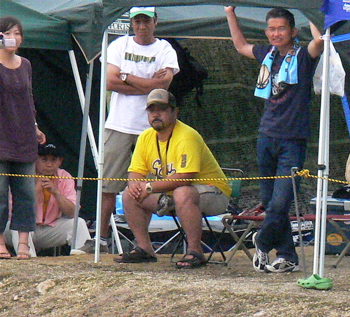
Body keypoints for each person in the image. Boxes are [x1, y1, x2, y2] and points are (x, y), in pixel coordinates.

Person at [225, 6, 324, 273]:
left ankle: (262, 239)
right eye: (271, 29)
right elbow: (240, 45)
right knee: (270, 204)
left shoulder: (303, 55)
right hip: (265, 136)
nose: (275, 33)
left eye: (281, 28)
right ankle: (287, 255)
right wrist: (229, 12)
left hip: (292, 140)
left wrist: (311, 10)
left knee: (281, 202)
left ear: (292, 31)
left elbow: (320, 42)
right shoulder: (267, 54)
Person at [115, 89, 231, 268]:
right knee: (129, 195)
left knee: (183, 192)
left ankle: (195, 251)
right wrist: (135, 185)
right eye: (152, 110)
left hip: (214, 193)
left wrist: (149, 187)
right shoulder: (145, 137)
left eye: (161, 109)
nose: (156, 115)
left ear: (175, 112)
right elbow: (135, 171)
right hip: (172, 194)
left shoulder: (187, 136)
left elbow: (185, 177)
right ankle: (145, 249)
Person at [95, 6, 179, 253]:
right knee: (108, 185)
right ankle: (99, 238)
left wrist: (127, 78)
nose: (141, 26)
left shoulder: (164, 49)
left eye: (146, 21)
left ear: (155, 21)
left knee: (150, 186)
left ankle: (142, 243)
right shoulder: (119, 45)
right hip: (119, 124)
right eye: (137, 21)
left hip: (152, 129)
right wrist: (149, 84)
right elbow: (109, 81)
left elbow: (163, 87)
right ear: (131, 23)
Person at [0, 16, 46, 260]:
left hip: (24, 136)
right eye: (8, 33)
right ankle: (0, 243)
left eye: (17, 33)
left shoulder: (26, 64)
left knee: (26, 193)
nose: (13, 38)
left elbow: (28, 99)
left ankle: (23, 243)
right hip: (1, 137)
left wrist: (36, 127)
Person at [25, 143, 92, 255]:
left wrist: (56, 192)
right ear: (35, 160)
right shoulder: (25, 175)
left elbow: (73, 213)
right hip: (24, 229)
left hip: (49, 229)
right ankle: (28, 263)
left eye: (54, 160)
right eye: (44, 160)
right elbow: (18, 213)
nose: (49, 164)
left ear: (60, 161)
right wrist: (36, 190)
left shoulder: (64, 176)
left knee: (78, 223)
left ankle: (82, 262)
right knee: (17, 227)